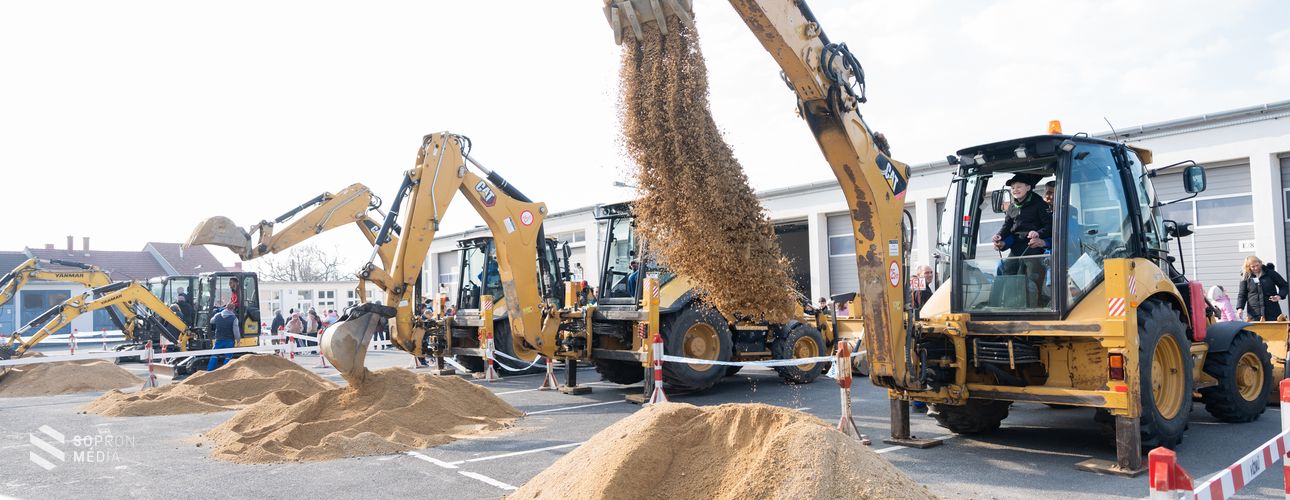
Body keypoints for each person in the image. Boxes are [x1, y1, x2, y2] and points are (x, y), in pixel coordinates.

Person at [992, 173, 1051, 305]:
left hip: (1034, 247)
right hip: (1017, 248)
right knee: (1008, 271)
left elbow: (1049, 226)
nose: (1015, 190)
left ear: (1028, 187)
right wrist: (999, 236)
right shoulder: (1012, 207)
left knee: (1032, 278)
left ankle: (1036, 305)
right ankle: (1011, 305)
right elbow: (1007, 226)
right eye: (1013, 188)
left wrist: (1038, 233)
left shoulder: (1039, 204)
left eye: (1019, 187)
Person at [1237, 256, 1289, 321]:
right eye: (1253, 267)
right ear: (1248, 267)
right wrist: (1240, 308)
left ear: (1260, 263)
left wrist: (1279, 296)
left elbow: (1284, 286)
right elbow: (1242, 294)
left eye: (1257, 265)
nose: (1256, 268)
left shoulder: (1270, 273)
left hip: (1272, 312)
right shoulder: (1245, 277)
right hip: (1254, 313)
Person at [207, 306, 238, 370]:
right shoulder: (234, 318)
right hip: (229, 340)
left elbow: (211, 321)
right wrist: (238, 339)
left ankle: (210, 370)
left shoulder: (217, 315)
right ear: (232, 310)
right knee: (228, 356)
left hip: (218, 339)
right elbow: (236, 330)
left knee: (214, 355)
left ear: (225, 308)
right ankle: (224, 370)